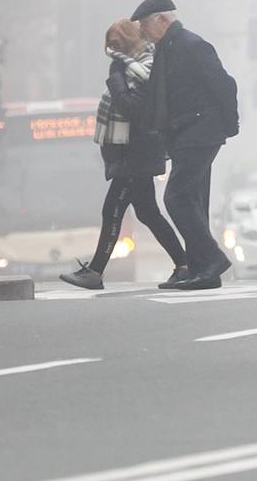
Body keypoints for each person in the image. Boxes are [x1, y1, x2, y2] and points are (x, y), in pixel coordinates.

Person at [60, 20, 188, 291]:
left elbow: (133, 109)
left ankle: (95, 272)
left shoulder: (145, 68)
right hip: (133, 153)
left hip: (136, 153)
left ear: (131, 41)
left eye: (118, 44)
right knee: (149, 213)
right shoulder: (131, 68)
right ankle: (185, 264)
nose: (113, 50)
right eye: (110, 45)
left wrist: (116, 77)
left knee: (112, 210)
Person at [136, 0, 241, 290]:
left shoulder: (192, 46)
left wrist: (229, 126)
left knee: (176, 197)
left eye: (145, 25)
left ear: (163, 20)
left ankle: (211, 259)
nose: (142, 32)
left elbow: (225, 85)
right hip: (185, 135)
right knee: (194, 200)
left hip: (199, 133)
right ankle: (201, 271)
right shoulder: (167, 49)